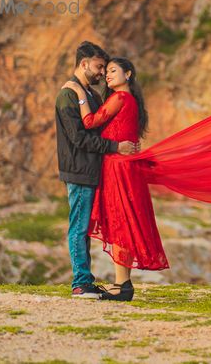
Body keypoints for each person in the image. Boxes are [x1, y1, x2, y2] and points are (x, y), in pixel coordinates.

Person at [63, 56, 153, 301]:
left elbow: (90, 121)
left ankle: (123, 284)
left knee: (119, 221)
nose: (108, 75)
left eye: (113, 71)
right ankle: (121, 283)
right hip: (121, 166)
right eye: (106, 70)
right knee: (120, 221)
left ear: (129, 74)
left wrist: (79, 93)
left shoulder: (120, 98)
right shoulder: (130, 100)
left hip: (117, 168)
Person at [55, 41, 134, 299]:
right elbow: (79, 138)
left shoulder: (89, 95)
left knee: (84, 228)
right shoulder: (68, 94)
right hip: (78, 170)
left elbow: (101, 126)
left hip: (92, 171)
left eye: (105, 68)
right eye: (99, 67)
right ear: (83, 63)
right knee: (78, 227)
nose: (102, 72)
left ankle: (86, 281)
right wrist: (115, 147)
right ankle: (80, 283)